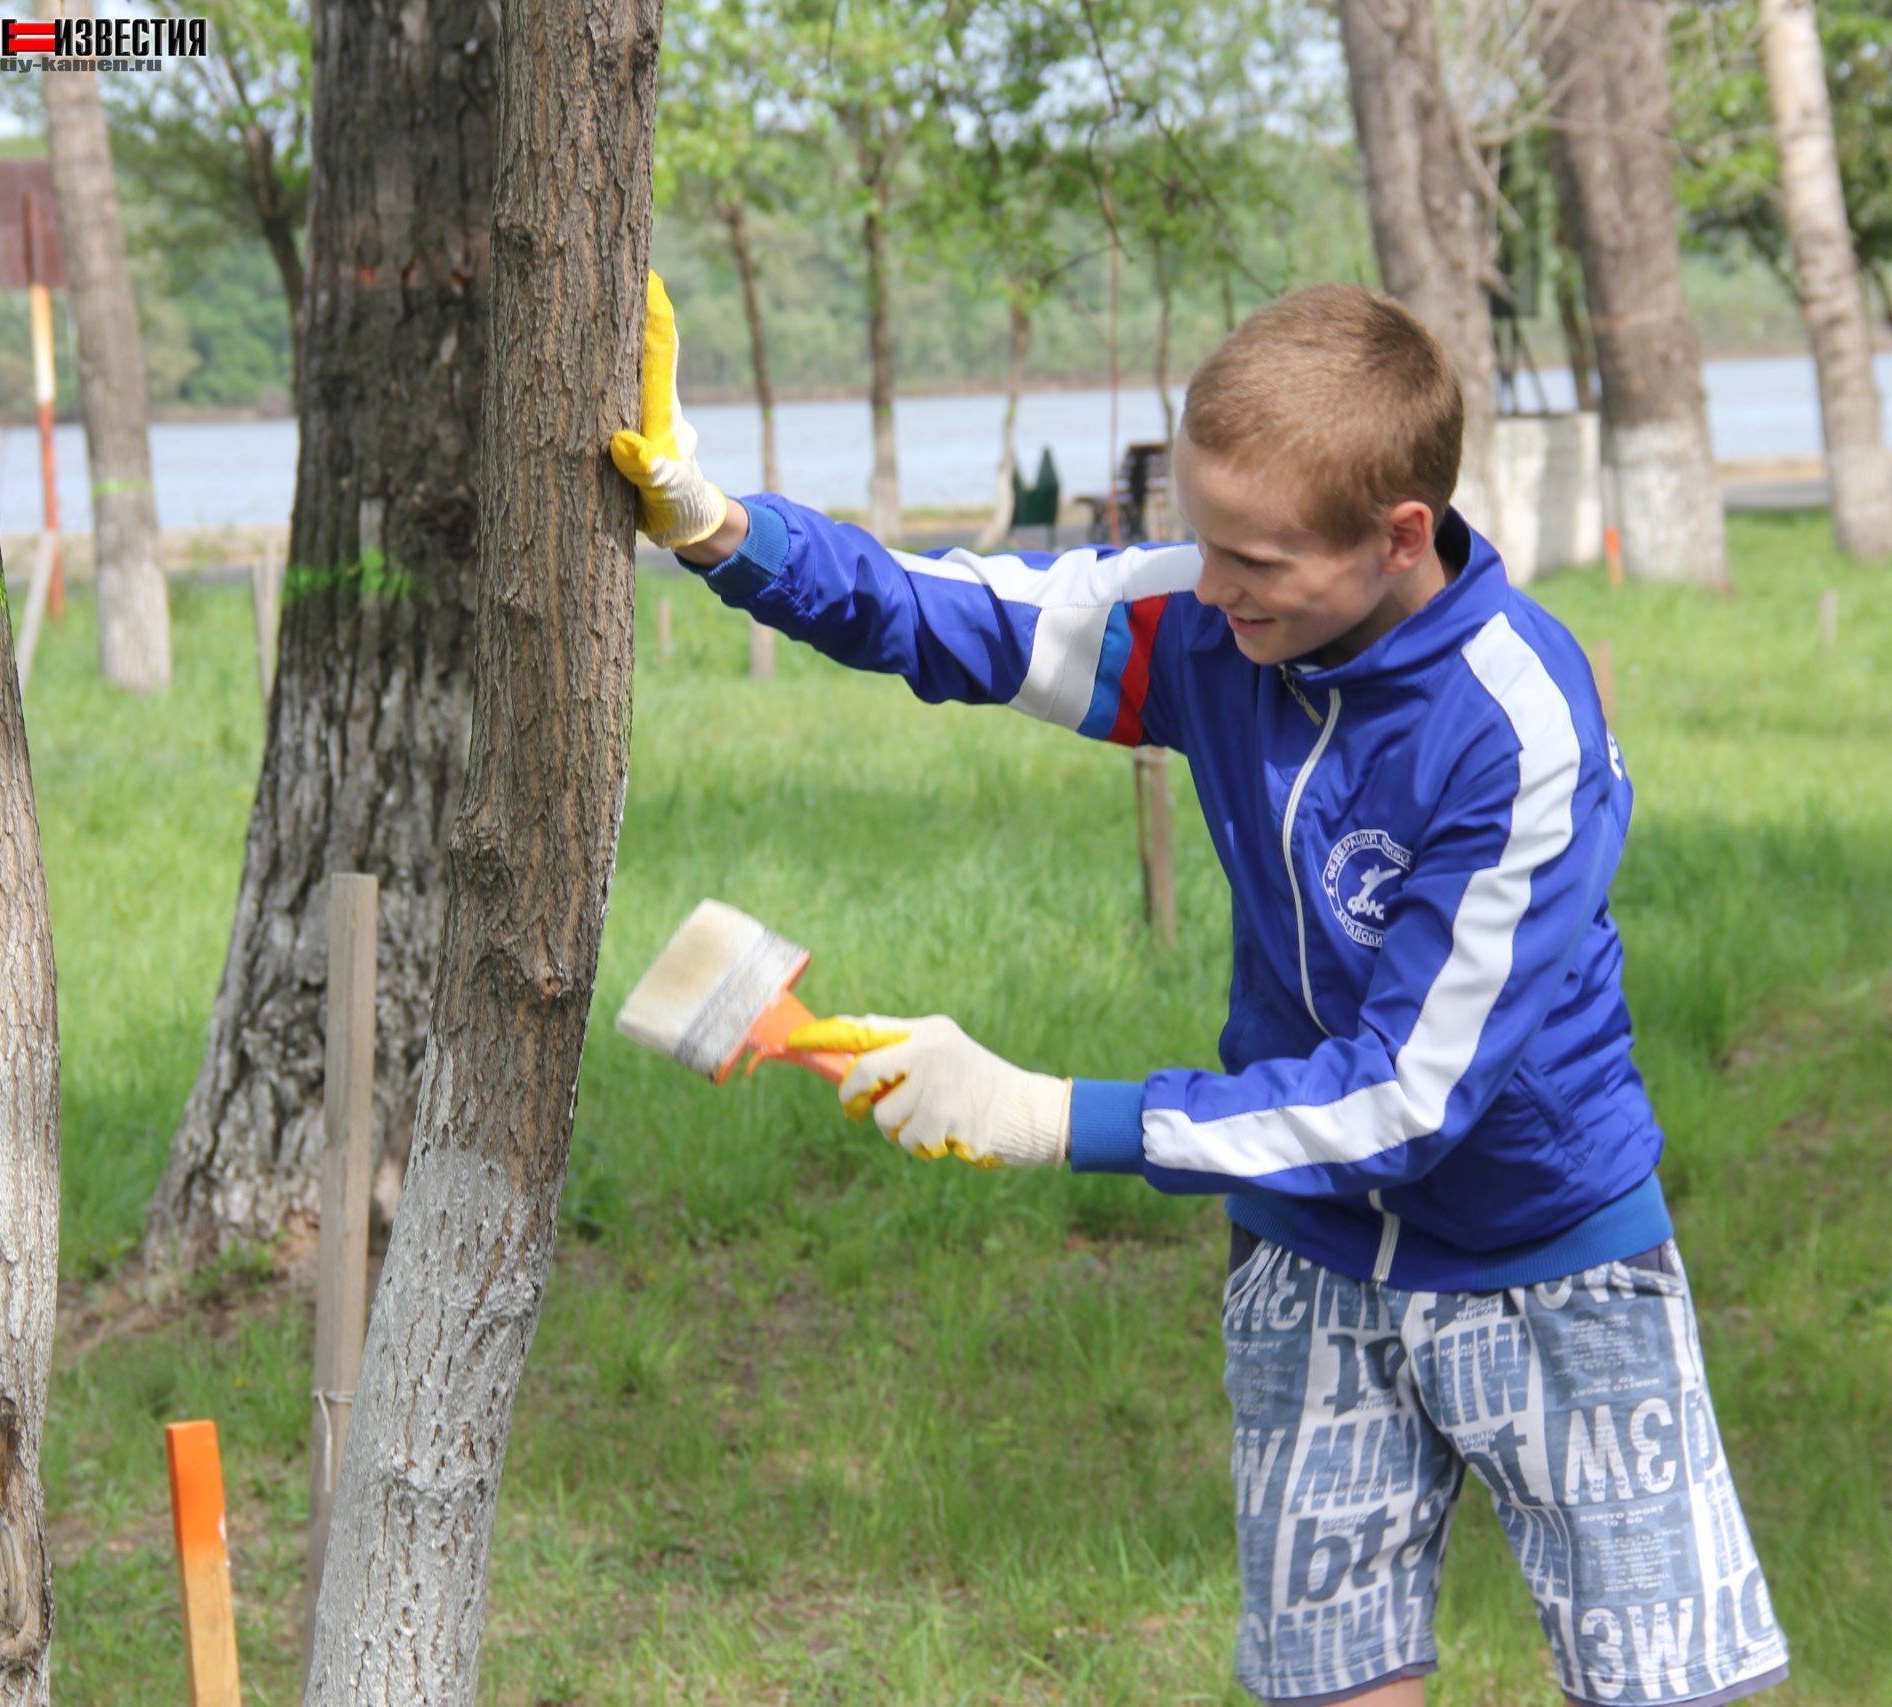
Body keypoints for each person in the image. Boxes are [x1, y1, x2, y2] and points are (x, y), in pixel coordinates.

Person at [612, 276, 1789, 1707]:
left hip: (1546, 1253)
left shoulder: (1515, 727)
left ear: (1399, 534)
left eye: (1254, 557)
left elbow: (1407, 1098)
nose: (1210, 585)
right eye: (1201, 535)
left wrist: (1057, 1115)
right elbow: (951, 613)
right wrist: (721, 530)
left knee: (1666, 1688)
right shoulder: (1208, 623)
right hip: (1307, 1253)